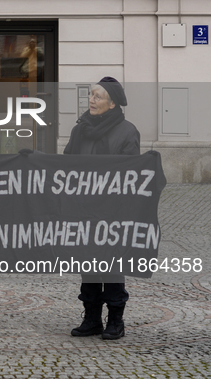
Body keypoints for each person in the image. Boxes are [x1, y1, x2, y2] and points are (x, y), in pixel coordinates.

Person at [64, 76, 140, 340]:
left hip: (113, 212)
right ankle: (92, 319)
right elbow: (65, 165)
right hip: (84, 210)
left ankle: (115, 321)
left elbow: (131, 175)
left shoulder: (127, 132)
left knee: (111, 264)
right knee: (89, 264)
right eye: (91, 95)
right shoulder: (80, 130)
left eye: (98, 96)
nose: (92, 100)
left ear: (112, 103)